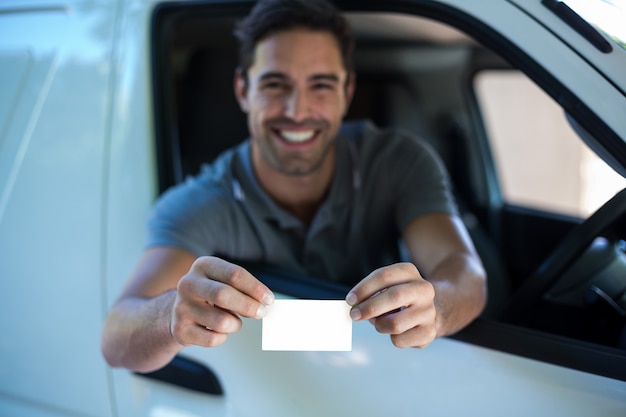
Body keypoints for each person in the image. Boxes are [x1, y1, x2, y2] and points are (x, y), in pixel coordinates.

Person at [101, 0, 487, 373]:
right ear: (242, 90)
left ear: (346, 92)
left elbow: (464, 273)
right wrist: (172, 313)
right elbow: (117, 337)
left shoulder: (399, 161)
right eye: (274, 84)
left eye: (320, 85)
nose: (297, 111)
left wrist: (435, 308)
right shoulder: (201, 203)